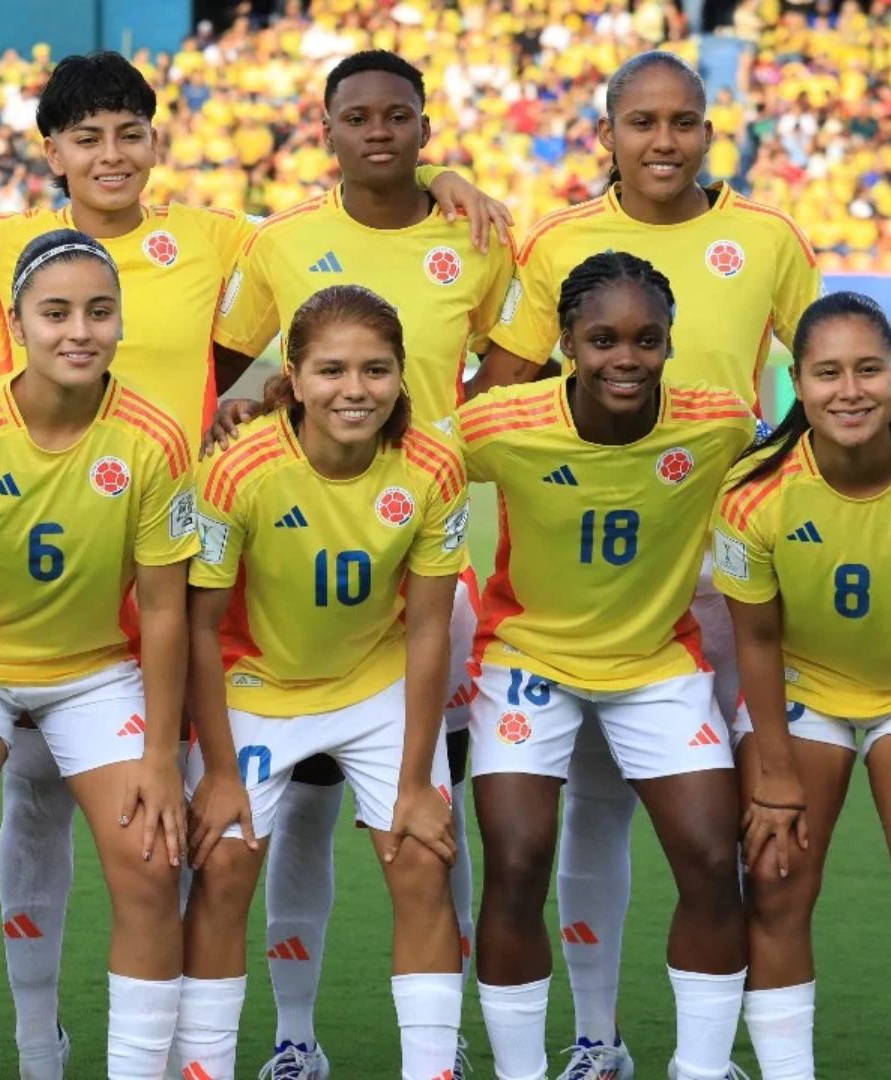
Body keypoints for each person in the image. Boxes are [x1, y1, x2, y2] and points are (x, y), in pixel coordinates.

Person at [0, 48, 508, 1079]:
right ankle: (33, 1046)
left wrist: (436, 185)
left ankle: (292, 1039)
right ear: (49, 156)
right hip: (2, 596)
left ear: (156, 141)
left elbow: (344, 238)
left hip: (185, 575)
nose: (110, 154)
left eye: (129, 133)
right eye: (86, 137)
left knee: (195, 844)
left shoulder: (219, 241)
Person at [472, 50, 820, 1077]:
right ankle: (591, 1038)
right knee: (570, 818)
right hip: (577, 581)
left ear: (711, 132)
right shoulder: (557, 242)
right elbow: (497, 391)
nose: (663, 141)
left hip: (724, 577)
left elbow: (829, 377)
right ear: (610, 132)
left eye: (684, 122)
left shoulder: (767, 237)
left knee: (724, 834)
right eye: (643, 123)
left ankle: (708, 1054)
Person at [206, 48, 512, 1078]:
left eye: (397, 114)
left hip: (417, 543)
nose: (378, 130)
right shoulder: (282, 242)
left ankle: (443, 1047)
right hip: (290, 556)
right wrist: (246, 413)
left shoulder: (476, 233)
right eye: (356, 116)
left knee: (432, 815)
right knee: (287, 812)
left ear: (426, 125)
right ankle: (292, 1038)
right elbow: (218, 366)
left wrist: (450, 443)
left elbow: (519, 363)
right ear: (326, 130)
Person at [0, 230, 194, 1080]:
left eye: (99, 311)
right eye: (55, 313)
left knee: (150, 862)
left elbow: (165, 607)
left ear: (121, 321)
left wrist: (161, 757)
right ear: (15, 325)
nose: (79, 331)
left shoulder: (156, 439)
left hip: (95, 669)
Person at [455, 252, 754, 1080]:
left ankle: (700, 1067)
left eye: (647, 340)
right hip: (528, 662)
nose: (626, 359)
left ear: (669, 341)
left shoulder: (720, 422)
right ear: (567, 343)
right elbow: (397, 449)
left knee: (709, 859)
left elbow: (805, 463)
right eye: (603, 340)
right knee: (515, 863)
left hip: (657, 665)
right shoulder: (503, 421)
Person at [173, 284, 468, 1080]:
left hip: (373, 682)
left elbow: (432, 627)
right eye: (332, 370)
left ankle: (434, 1068)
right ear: (294, 378)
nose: (355, 389)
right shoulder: (242, 469)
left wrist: (414, 781)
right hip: (259, 688)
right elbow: (200, 627)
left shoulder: (435, 469)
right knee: (225, 866)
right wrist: (223, 772)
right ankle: (201, 1066)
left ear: (402, 376)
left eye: (377, 370)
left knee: (420, 860)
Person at [715, 292, 891, 1080]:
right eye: (828, 372)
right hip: (802, 689)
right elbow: (758, 638)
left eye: (868, 370)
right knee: (774, 878)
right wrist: (772, 772)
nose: (850, 390)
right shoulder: (752, 490)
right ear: (797, 384)